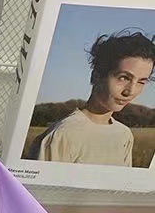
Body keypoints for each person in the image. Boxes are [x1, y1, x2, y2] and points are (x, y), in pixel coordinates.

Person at [25, 30, 155, 165]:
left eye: (141, 82)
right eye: (123, 78)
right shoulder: (62, 135)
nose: (131, 91)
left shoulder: (124, 135)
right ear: (96, 76)